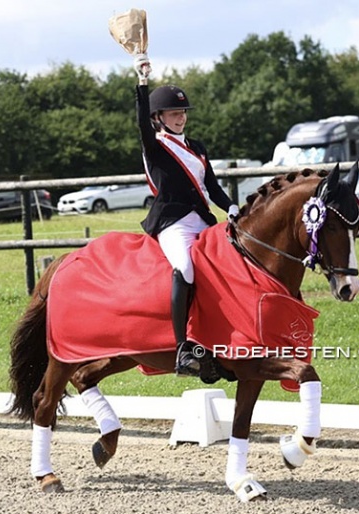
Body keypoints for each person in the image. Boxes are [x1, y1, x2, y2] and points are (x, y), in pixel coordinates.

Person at [133, 53, 239, 377]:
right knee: (186, 269)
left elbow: (212, 187)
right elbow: (139, 122)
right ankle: (182, 349)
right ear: (159, 117)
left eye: (182, 112)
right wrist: (141, 82)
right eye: (174, 113)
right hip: (172, 223)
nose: (181, 118)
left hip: (203, 219)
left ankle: (222, 340)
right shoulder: (156, 146)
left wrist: (232, 207)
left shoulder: (198, 147)